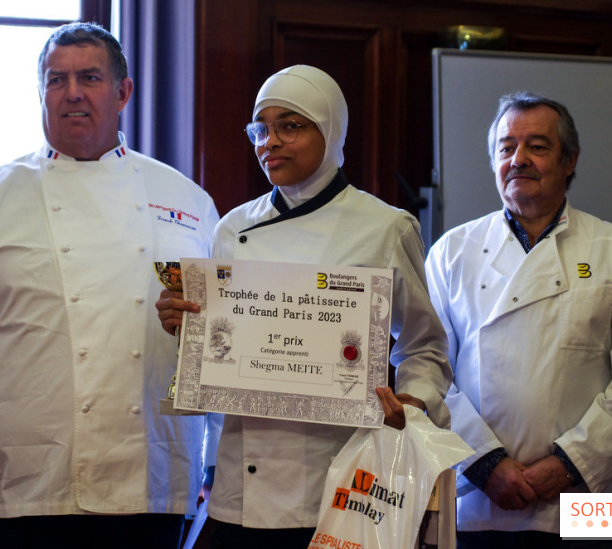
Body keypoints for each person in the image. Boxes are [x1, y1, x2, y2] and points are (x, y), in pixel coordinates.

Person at [0, 22, 220, 549]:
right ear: (41, 93)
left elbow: (222, 336)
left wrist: (216, 464)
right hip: (30, 480)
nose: (72, 92)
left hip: (153, 478)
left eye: (90, 77)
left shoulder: (189, 201)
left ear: (123, 93)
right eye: (57, 80)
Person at [155, 65, 453, 548]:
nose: (268, 142)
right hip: (239, 490)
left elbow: (426, 346)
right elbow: (224, 345)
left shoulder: (384, 227)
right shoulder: (232, 228)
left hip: (336, 487)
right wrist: (185, 327)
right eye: (261, 128)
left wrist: (414, 404)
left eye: (289, 126)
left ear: (331, 129)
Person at [424, 91, 612, 547]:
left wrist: (569, 465)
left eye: (537, 146)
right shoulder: (451, 253)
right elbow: (429, 374)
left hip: (583, 503)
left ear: (569, 160)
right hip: (477, 500)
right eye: (506, 147)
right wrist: (487, 465)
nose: (518, 160)